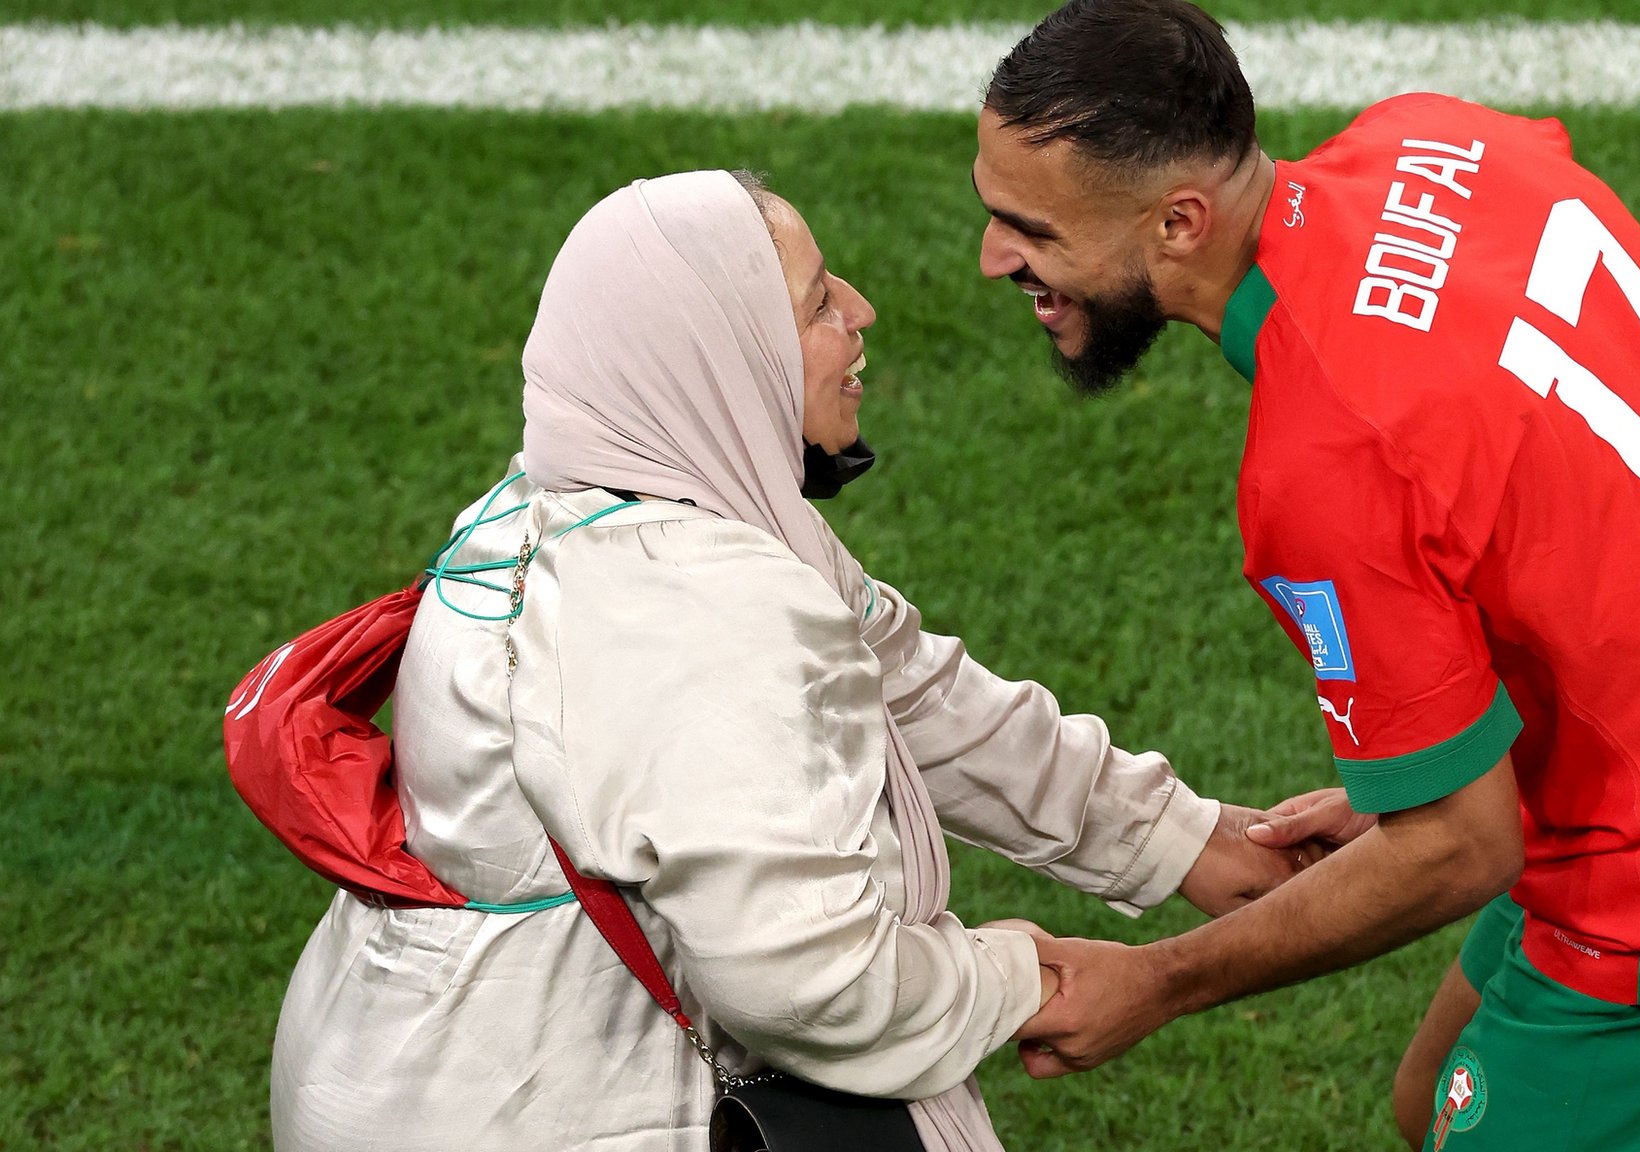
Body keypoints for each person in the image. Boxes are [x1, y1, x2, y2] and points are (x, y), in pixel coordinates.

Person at [969, 3, 1640, 1149]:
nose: (995, 257)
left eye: (1029, 230)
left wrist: (1163, 978)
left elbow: (1457, 844)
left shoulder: (1326, 459)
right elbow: (1529, 484)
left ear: (1179, 222)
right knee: (1429, 1098)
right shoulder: (1431, 139)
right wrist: (1419, 769)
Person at [269, 169, 1298, 1152]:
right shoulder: (692, 613)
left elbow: (907, 688)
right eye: (812, 305)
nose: (860, 311)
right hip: (533, 1106)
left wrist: (1188, 839)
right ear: (718, 359)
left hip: (403, 1054)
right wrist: (1018, 976)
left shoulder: (582, 496)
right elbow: (808, 979)